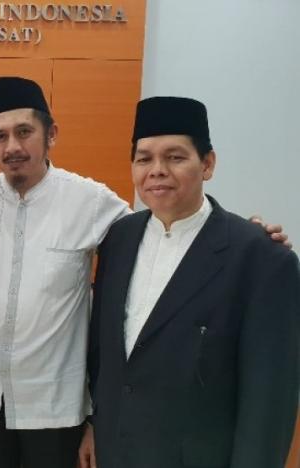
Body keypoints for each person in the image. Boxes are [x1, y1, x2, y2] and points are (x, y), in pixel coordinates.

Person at [88, 96, 300, 468]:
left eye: (175, 157)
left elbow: (269, 399)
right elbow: (106, 356)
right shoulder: (118, 239)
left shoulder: (261, 258)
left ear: (208, 164)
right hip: (117, 452)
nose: (157, 171)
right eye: (144, 159)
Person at [0, 77, 130, 467]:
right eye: (0, 136)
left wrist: (244, 235)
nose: (13, 147)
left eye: (24, 132)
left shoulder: (89, 200)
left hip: (55, 408)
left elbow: (160, 237)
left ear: (50, 133)